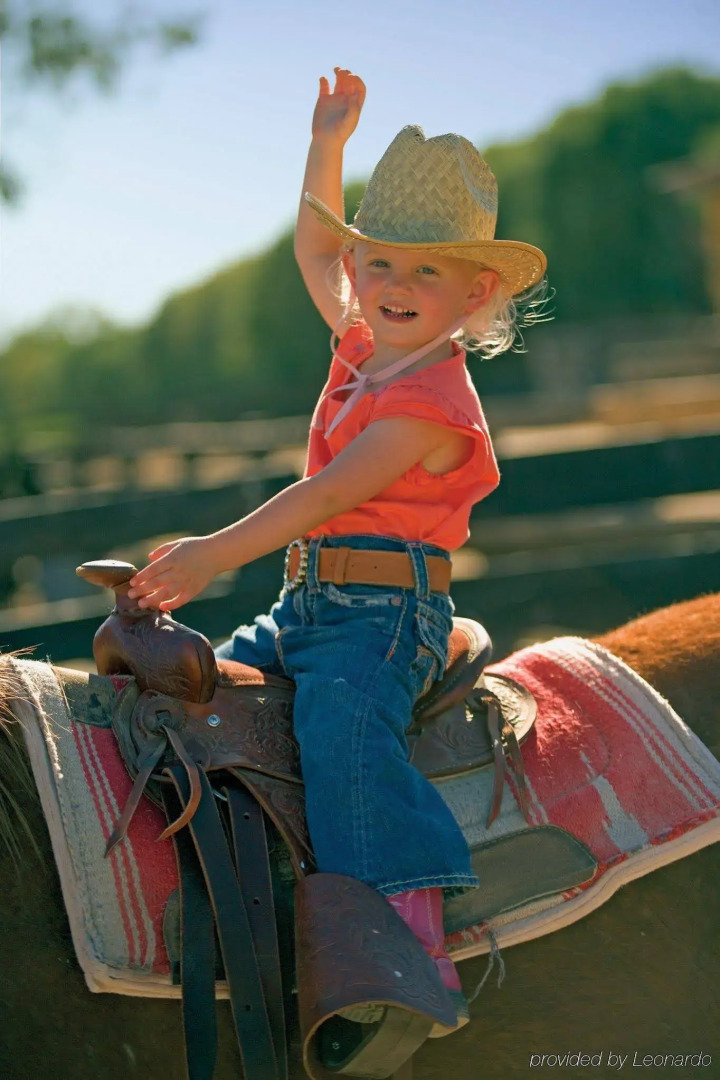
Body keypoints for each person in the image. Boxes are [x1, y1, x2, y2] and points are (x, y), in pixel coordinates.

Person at [127, 68, 547, 1037]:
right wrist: (328, 142)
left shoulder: (434, 408)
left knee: (342, 737)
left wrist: (209, 555)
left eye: (425, 272)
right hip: (310, 606)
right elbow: (317, 241)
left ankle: (404, 937)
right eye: (382, 265)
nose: (393, 285)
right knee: (202, 693)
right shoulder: (366, 342)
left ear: (475, 292)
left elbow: (326, 494)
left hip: (385, 619)